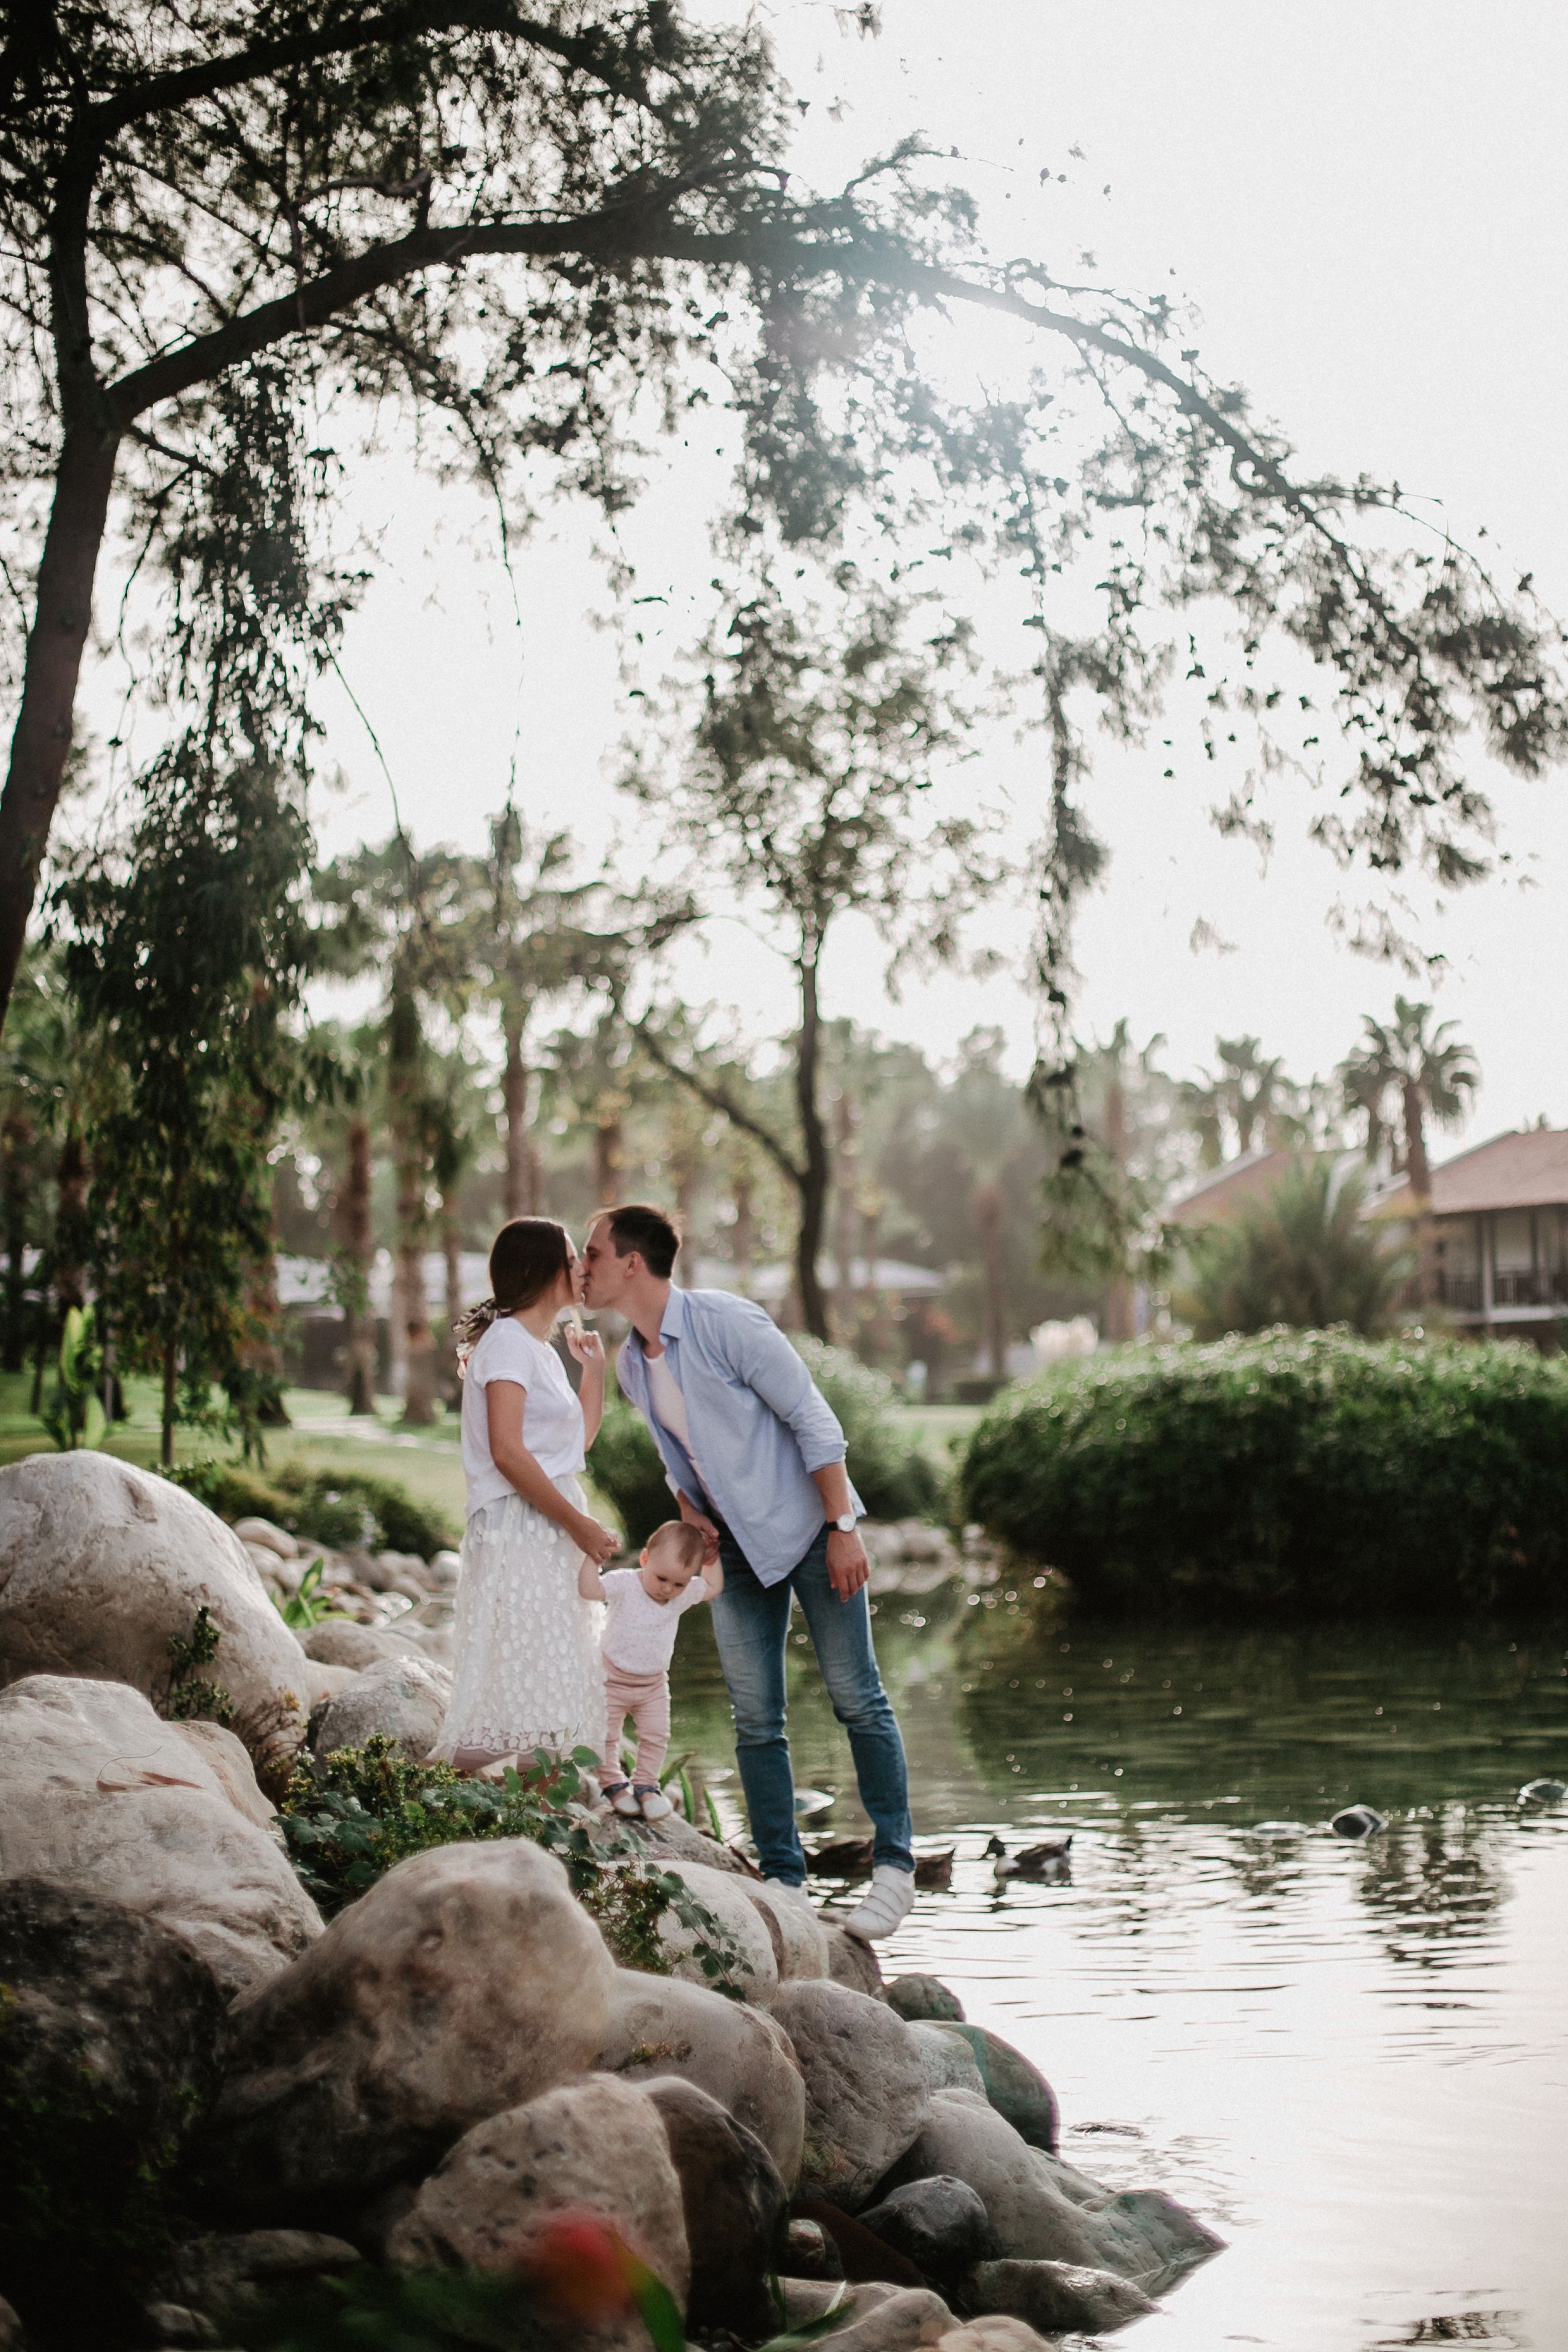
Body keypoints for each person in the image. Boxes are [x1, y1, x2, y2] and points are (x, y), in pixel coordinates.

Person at [579, 1202, 915, 1939]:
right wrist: (690, 1516)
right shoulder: (633, 1362)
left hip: (807, 1531)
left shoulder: (726, 1323)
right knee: (757, 1718)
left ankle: (894, 1866)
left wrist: (841, 1527)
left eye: (593, 1253)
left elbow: (813, 1420)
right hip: (730, 1551)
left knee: (856, 1696)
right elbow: (683, 1459)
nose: (583, 1267)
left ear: (632, 1262)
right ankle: (785, 1879)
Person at [432, 1216, 619, 1782]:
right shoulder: (508, 1344)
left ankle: (540, 1845)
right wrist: (581, 1528)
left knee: (548, 1702)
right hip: (520, 1532)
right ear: (544, 1272)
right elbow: (508, 1454)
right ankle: (416, 1798)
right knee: (528, 1704)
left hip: (546, 1530)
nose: (583, 1268)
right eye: (572, 1258)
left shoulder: (536, 1348)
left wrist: (594, 1371)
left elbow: (574, 1445)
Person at [579, 1518, 723, 1820]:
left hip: (653, 1684)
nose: (669, 1589)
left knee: (657, 1735)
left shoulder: (682, 1594)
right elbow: (590, 1591)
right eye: (661, 1579)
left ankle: (646, 1786)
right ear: (645, 1559)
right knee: (607, 1735)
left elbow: (712, 1587)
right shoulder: (624, 1583)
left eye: (679, 1583)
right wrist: (591, 1559)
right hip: (611, 1679)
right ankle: (613, 1784)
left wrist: (712, 1559)